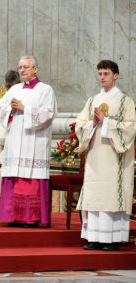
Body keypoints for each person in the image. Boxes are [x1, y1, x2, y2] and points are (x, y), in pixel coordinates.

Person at [75, 60, 135, 251]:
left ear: (115, 75)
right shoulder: (92, 100)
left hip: (114, 157)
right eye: (100, 73)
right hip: (95, 157)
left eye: (106, 73)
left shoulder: (126, 101)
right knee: (95, 197)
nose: (102, 77)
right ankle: (94, 238)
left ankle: (112, 239)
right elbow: (79, 125)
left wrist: (106, 122)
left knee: (110, 195)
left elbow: (130, 128)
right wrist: (92, 123)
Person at [0, 56, 56, 228]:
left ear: (35, 69)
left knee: (31, 179)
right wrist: (10, 109)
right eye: (20, 67)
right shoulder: (14, 89)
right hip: (15, 139)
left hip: (34, 141)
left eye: (25, 67)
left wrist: (25, 109)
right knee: (15, 176)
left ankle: (30, 218)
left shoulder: (46, 90)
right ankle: (13, 217)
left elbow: (49, 113)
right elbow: (1, 108)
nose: (22, 70)